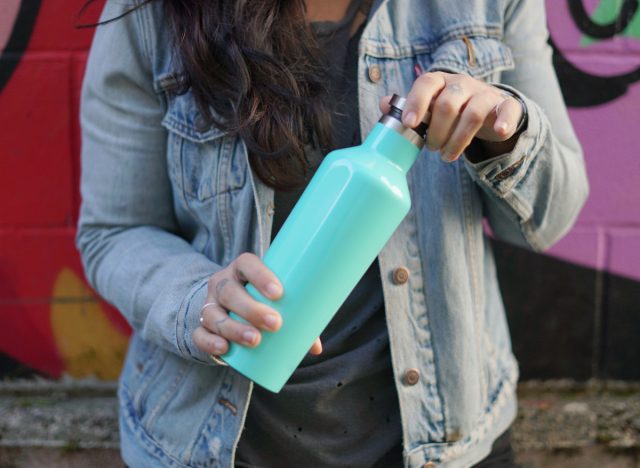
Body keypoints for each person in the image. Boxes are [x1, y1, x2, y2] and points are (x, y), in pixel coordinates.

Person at [76, 0, 588, 466]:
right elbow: (115, 231)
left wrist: (505, 133)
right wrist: (198, 300)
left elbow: (549, 221)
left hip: (446, 441)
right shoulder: (151, 15)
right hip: (214, 445)